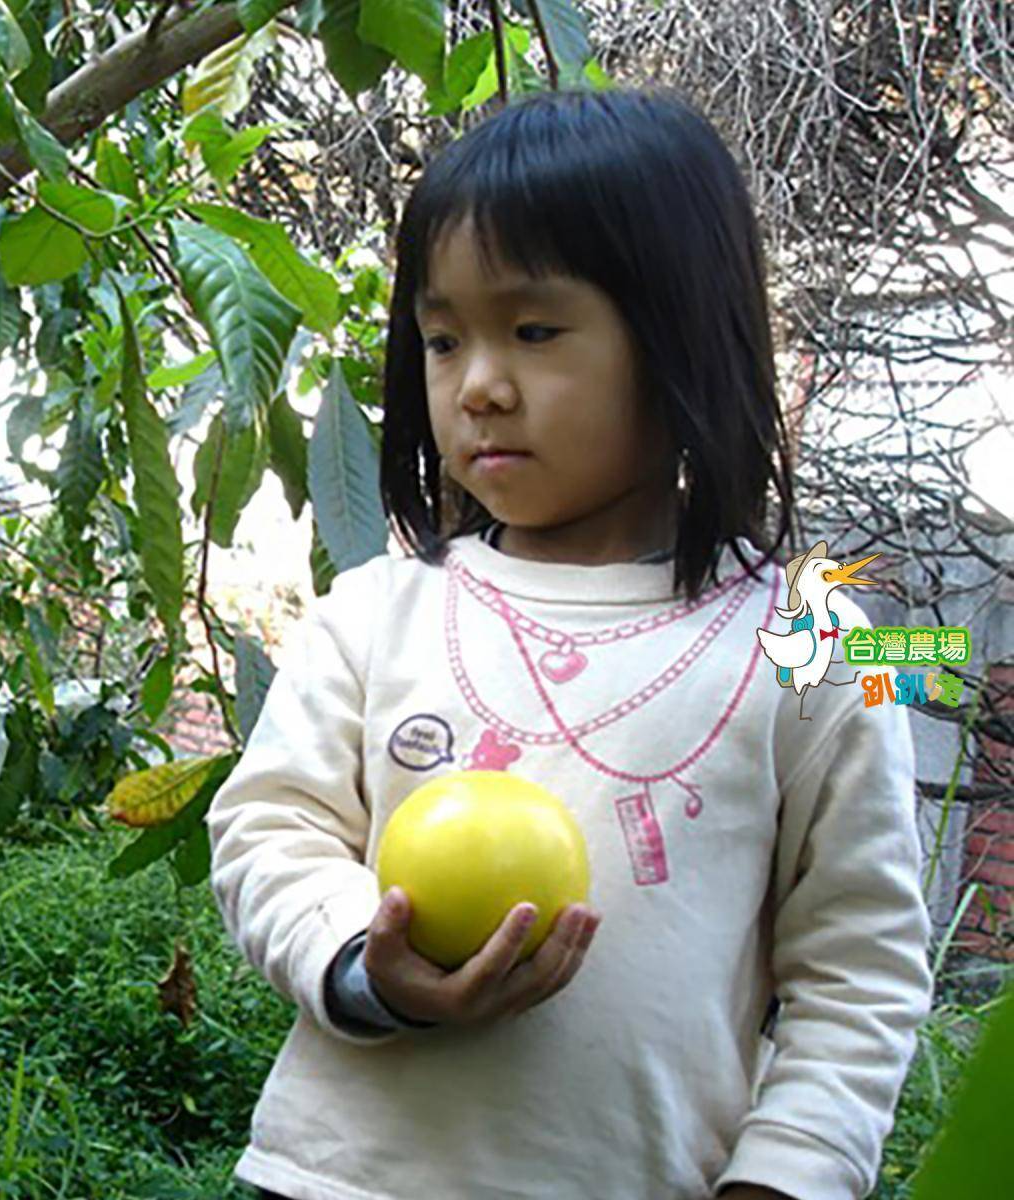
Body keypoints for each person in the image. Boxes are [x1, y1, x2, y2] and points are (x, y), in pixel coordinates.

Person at [208, 89, 932, 1200]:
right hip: (341, 1181)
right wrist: (367, 965)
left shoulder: (814, 643)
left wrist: (781, 1180)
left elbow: (862, 967)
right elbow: (271, 827)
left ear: (683, 334)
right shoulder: (379, 610)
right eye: (444, 339)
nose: (478, 385)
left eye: (534, 331)